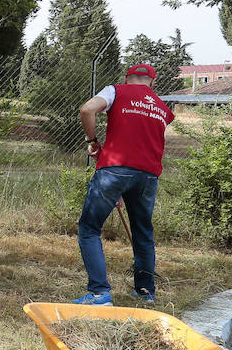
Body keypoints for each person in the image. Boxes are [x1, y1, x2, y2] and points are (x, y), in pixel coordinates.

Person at [73, 62, 175, 306]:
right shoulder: (163, 108)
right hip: (148, 175)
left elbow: (87, 110)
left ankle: (99, 293)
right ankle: (146, 292)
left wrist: (93, 141)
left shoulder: (116, 91)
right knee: (143, 233)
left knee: (89, 228)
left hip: (115, 170)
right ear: (153, 81)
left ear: (128, 78)